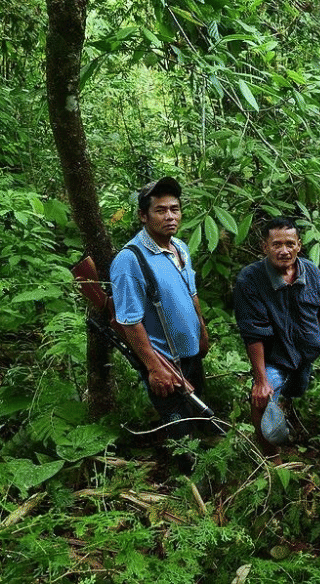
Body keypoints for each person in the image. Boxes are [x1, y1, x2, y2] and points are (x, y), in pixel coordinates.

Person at [110, 176, 211, 441]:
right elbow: (129, 321)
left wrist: (202, 331)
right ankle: (187, 478)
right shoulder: (130, 259)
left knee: (199, 417)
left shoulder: (180, 247)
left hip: (191, 356)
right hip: (164, 362)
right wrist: (154, 368)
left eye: (174, 209)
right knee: (181, 435)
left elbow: (192, 293)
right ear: (143, 216)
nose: (170, 216)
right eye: (161, 210)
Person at [233, 217, 320, 453]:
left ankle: (286, 410)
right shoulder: (250, 280)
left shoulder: (310, 271)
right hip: (274, 356)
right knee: (262, 400)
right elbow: (253, 333)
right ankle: (271, 458)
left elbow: (318, 308)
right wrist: (261, 381)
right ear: (265, 247)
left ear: (299, 244)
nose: (284, 251)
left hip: (305, 352)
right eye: (277, 244)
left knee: (297, 388)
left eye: (290, 244)